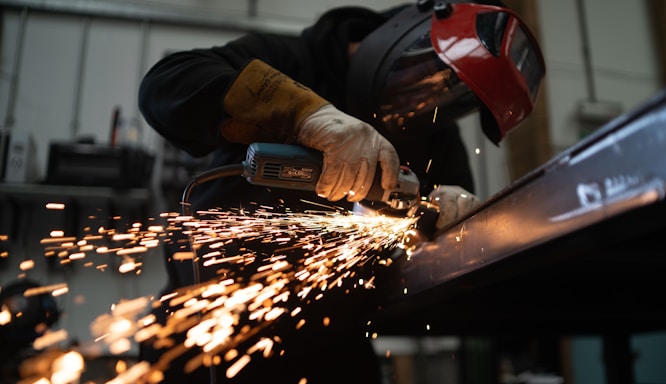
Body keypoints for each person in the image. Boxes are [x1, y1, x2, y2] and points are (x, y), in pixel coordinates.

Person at [137, 0, 545, 383]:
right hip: (205, 329)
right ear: (405, 34)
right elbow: (165, 84)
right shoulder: (293, 60)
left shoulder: (432, 127)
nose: (426, 101)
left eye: (456, 98)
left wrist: (450, 220)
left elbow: (444, 248)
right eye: (430, 78)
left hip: (329, 342)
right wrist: (305, 114)